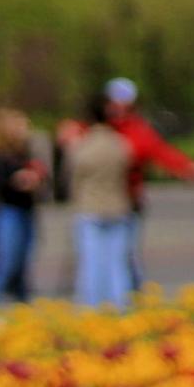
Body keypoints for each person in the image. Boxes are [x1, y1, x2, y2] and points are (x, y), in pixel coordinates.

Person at [98, 78, 194, 288]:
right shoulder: (96, 129)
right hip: (97, 203)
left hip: (126, 202)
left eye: (124, 105)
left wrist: (187, 167)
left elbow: (160, 152)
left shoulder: (137, 130)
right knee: (100, 257)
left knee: (124, 255)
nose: (118, 109)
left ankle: (128, 299)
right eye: (114, 103)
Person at [61, 92, 138, 309]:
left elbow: (72, 177)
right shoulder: (120, 144)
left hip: (90, 208)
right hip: (118, 207)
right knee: (117, 264)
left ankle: (91, 309)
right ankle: (121, 307)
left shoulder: (83, 146)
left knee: (91, 264)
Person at [0, 109, 44, 307]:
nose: (25, 130)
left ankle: (22, 307)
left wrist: (35, 178)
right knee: (6, 261)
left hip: (26, 208)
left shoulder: (24, 151)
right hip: (8, 211)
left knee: (23, 262)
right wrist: (18, 180)